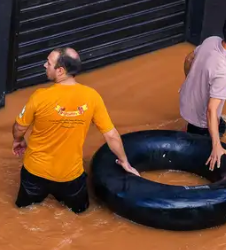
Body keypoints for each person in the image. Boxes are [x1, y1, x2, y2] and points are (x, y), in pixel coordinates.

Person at [12, 47, 139, 213]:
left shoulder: (39, 96)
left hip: (35, 173)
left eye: (48, 63)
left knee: (23, 212)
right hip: (70, 178)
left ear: (60, 71)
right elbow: (111, 135)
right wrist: (124, 162)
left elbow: (20, 127)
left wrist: (18, 140)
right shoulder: (92, 97)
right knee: (81, 214)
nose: (44, 65)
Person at [180, 15, 226, 171]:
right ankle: (191, 135)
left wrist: (190, 81)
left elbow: (188, 59)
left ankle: (191, 130)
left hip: (185, 100)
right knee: (206, 146)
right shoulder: (223, 71)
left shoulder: (211, 40)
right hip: (199, 118)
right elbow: (211, 110)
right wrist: (216, 146)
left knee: (222, 127)